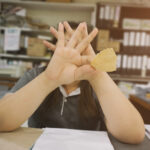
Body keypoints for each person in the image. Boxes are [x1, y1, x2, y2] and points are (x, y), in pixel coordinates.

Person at [0, 22, 145, 144]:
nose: (74, 51)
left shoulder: (98, 83)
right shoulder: (36, 76)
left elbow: (134, 135)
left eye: (81, 44)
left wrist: (97, 75)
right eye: (67, 44)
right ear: (54, 50)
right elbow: (2, 120)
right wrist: (49, 80)